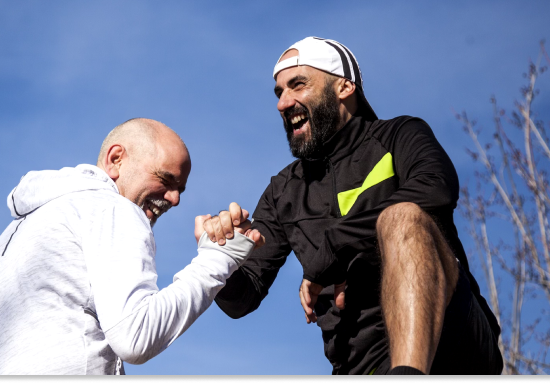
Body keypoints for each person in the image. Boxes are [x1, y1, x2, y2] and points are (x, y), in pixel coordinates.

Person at [206, 37, 503, 375]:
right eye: (279, 93)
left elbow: (435, 189)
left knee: (403, 217)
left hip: (453, 342)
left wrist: (333, 249)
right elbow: (242, 299)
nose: (283, 103)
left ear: (345, 87)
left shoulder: (398, 136)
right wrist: (220, 259)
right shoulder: (283, 191)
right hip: (360, 365)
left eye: (298, 85)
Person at [0, 118, 264, 375]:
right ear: (116, 159)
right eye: (165, 180)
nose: (175, 199)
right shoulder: (112, 209)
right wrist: (218, 260)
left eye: (179, 189)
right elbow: (135, 336)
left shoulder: (25, 226)